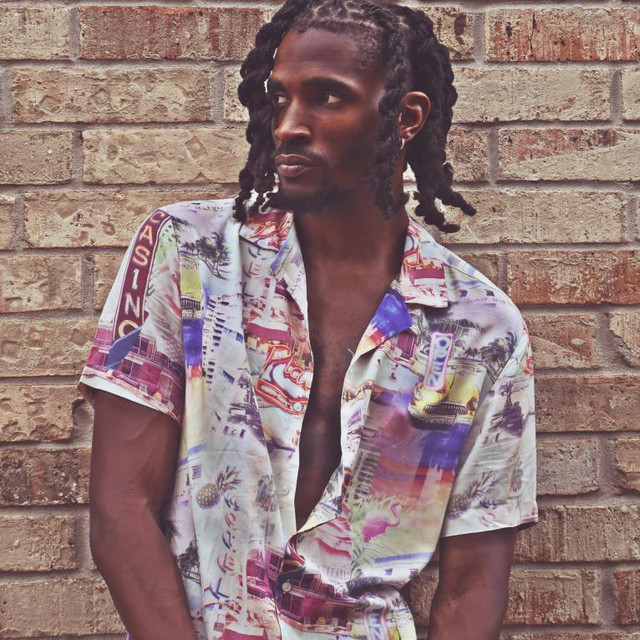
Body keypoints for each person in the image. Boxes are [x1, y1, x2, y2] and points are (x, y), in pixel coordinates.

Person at [79, 0, 538, 638]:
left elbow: (471, 588)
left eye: (326, 97)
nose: (289, 126)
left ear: (405, 117)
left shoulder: (480, 328)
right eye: (279, 98)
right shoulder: (189, 254)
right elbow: (120, 509)